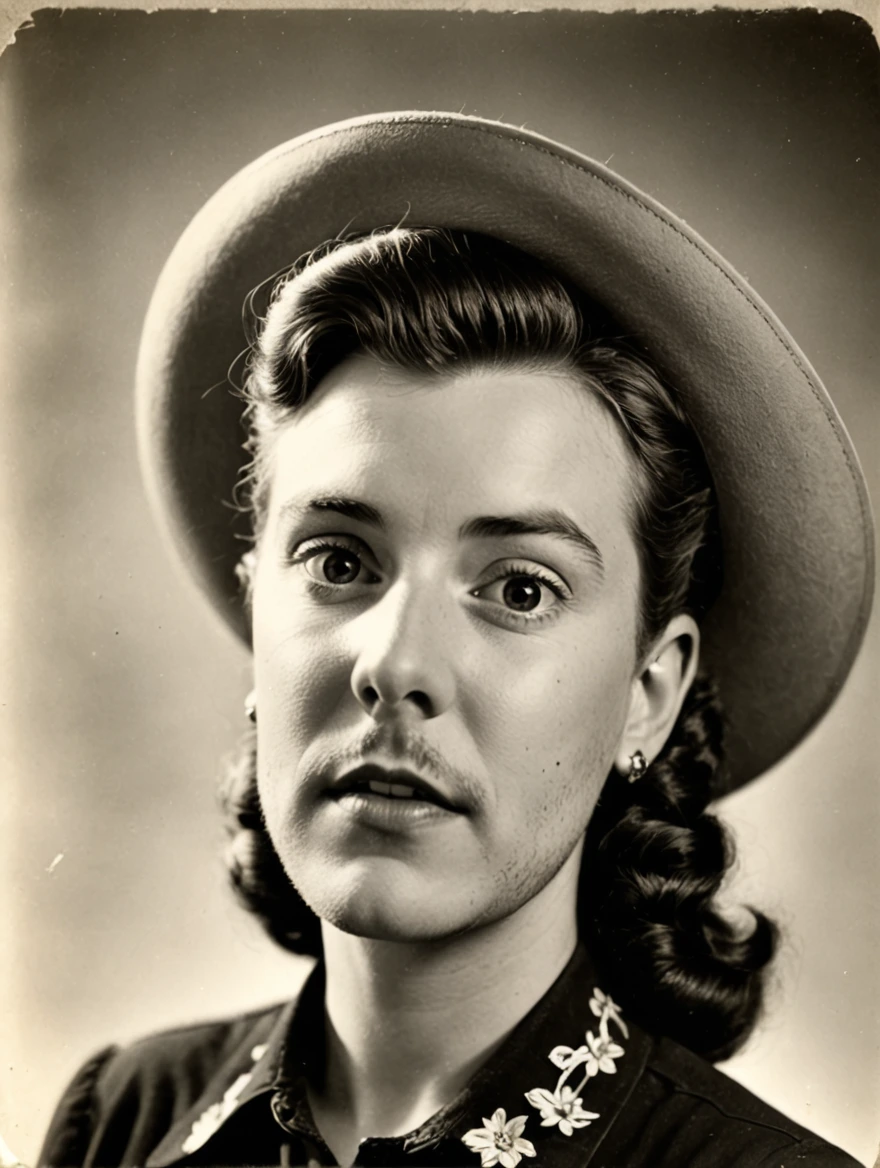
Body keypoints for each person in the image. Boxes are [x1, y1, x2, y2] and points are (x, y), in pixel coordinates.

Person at [38, 113, 872, 1168]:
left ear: (647, 693)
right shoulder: (124, 1116)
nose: (393, 665)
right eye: (340, 561)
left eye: (518, 588)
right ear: (257, 615)